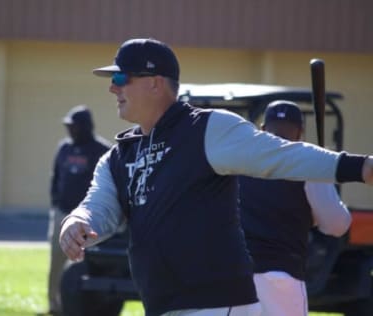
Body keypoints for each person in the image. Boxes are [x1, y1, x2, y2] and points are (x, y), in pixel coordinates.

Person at [58, 38, 373, 316]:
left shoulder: (207, 129)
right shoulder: (118, 155)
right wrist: (79, 221)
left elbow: (280, 155)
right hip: (162, 303)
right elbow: (99, 205)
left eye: (121, 77)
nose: (113, 86)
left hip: (217, 303)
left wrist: (359, 167)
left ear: (154, 82)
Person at [238, 100, 352, 316]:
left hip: (235, 276)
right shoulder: (307, 162)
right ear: (300, 132)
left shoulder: (239, 161)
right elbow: (337, 225)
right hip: (282, 278)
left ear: (263, 129)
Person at [46, 105, 110, 315]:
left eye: (73, 126)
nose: (70, 130)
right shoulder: (64, 148)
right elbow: (55, 176)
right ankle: (54, 305)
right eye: (68, 126)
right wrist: (55, 202)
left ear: (84, 126)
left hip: (87, 219)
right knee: (56, 261)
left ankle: (82, 306)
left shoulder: (101, 150)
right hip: (62, 213)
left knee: (84, 263)